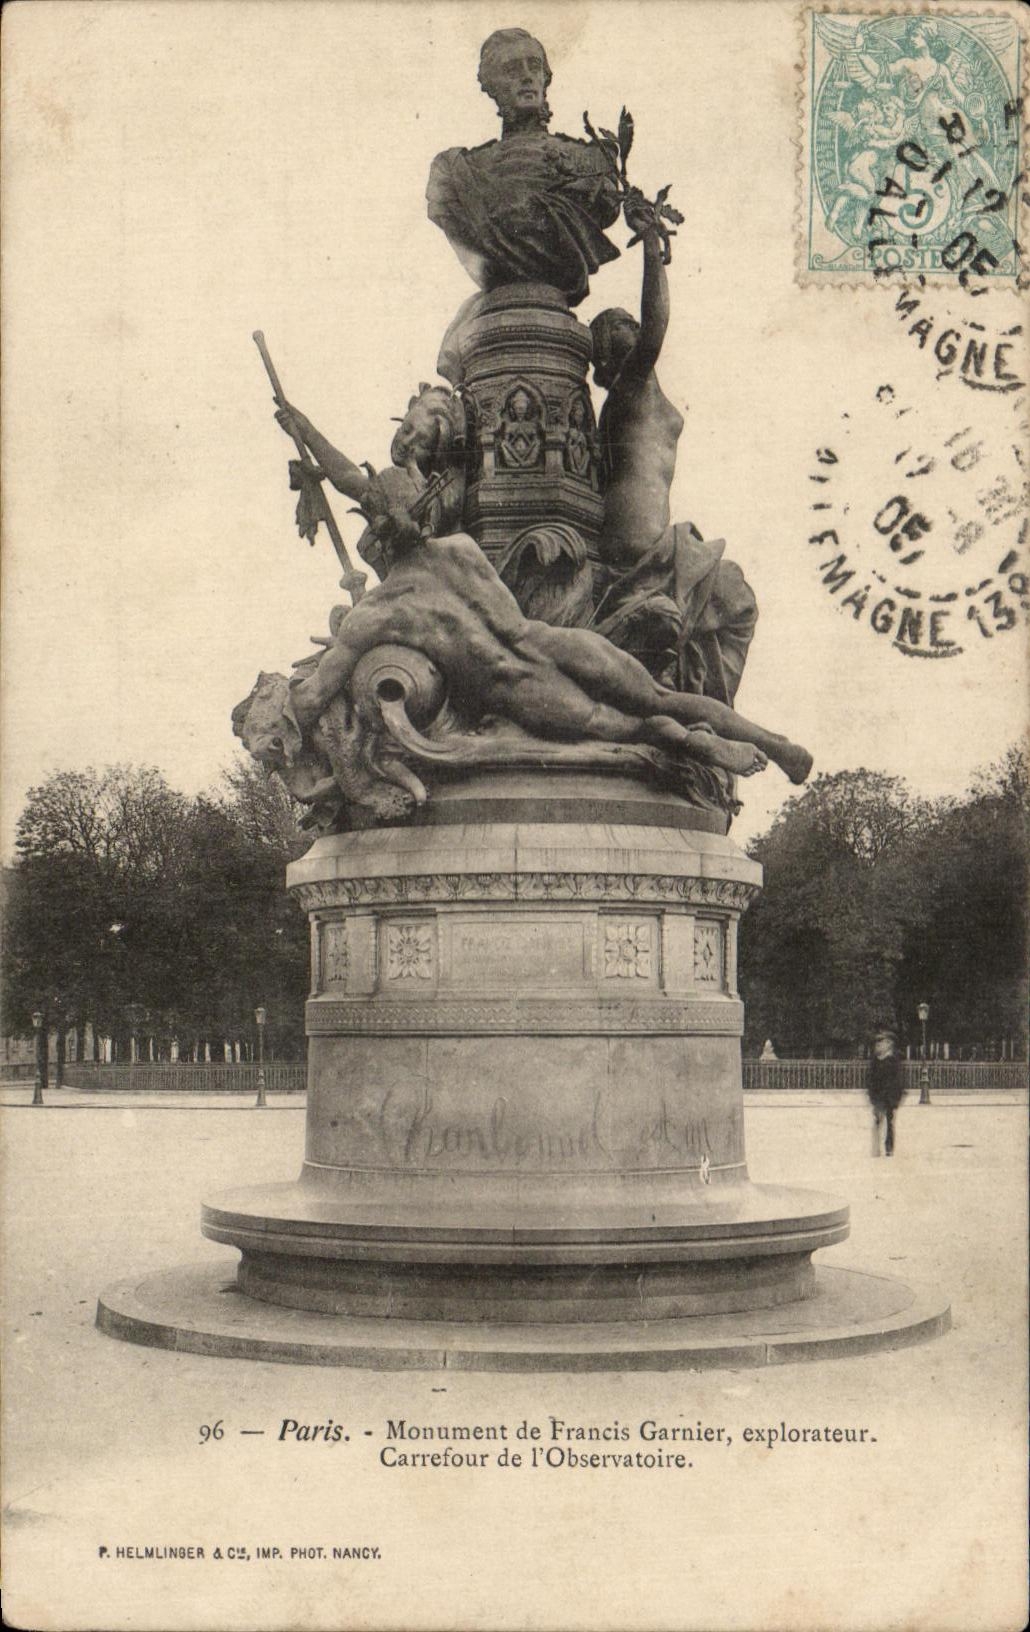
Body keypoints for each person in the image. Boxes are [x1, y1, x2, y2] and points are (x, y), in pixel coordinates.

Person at [281, 461, 813, 786]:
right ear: (419, 515)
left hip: (518, 686)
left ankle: (703, 745)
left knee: (628, 727)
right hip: (562, 645)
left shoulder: (378, 613)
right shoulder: (458, 550)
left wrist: (277, 712)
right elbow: (364, 485)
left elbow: (311, 697)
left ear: (372, 539)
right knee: (658, 698)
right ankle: (773, 742)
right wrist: (307, 438)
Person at [590, 195, 757, 702]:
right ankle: (712, 710)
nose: (631, 325)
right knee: (736, 599)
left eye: (627, 321)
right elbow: (657, 323)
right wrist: (651, 245)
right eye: (617, 324)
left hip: (653, 541)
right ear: (606, 354)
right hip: (642, 548)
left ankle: (709, 708)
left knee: (733, 600)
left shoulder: (637, 395)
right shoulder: (627, 389)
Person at [426, 29, 621, 305]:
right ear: (493, 85)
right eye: (513, 69)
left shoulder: (591, 160)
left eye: (534, 66)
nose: (527, 76)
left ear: (545, 78)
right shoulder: (456, 171)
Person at [868, 1027, 905, 1157]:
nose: (878, 1045)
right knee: (877, 1122)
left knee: (889, 1124)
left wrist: (895, 1099)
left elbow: (898, 1082)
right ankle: (876, 1148)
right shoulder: (875, 1061)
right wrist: (872, 1097)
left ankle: (888, 1148)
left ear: (889, 1044)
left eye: (881, 1042)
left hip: (889, 1098)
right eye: (878, 1043)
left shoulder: (894, 1061)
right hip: (878, 1097)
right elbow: (870, 1081)